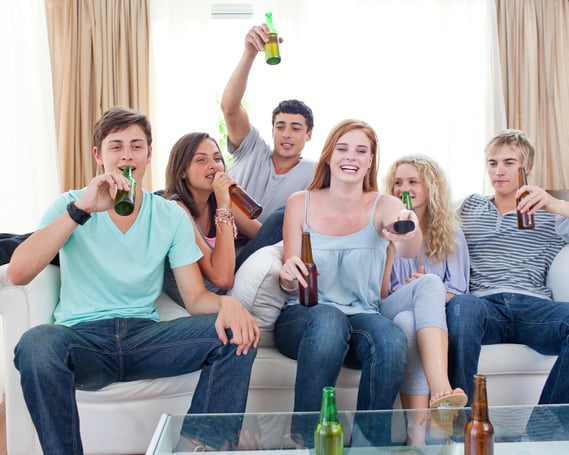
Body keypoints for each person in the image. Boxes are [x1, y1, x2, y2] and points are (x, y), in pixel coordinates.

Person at [7, 107, 260, 454]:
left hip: (146, 337)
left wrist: (227, 303)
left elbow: (196, 298)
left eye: (136, 146)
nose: (127, 154)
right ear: (99, 156)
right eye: (116, 146)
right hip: (83, 340)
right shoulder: (69, 204)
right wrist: (80, 210)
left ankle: (200, 446)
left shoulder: (169, 214)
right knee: (36, 344)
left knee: (238, 331)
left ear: (148, 155)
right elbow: (19, 272)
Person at [275, 119, 422, 447]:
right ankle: (307, 441)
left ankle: (370, 448)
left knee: (391, 339)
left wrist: (407, 229)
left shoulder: (385, 206)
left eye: (361, 150)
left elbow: (409, 245)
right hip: (303, 318)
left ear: (371, 160)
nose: (350, 157)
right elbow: (291, 277)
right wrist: (286, 275)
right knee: (329, 319)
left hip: (360, 318)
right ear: (329, 156)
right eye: (342, 148)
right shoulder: (301, 202)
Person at [447, 129, 569, 406]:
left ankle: (546, 427)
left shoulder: (549, 212)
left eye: (509, 163)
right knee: (463, 306)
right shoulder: (468, 206)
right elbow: (429, 221)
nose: (499, 171)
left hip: (533, 307)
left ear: (527, 168)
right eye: (492, 163)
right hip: (482, 306)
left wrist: (556, 204)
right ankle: (461, 423)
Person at [381, 154, 469, 445]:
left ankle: (415, 440)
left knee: (410, 320)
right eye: (397, 183)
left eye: (412, 182)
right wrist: (415, 286)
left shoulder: (452, 234)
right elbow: (382, 291)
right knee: (427, 284)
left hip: (423, 315)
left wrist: (424, 293)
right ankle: (442, 390)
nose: (403, 188)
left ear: (431, 187)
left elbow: (459, 290)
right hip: (389, 306)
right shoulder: (387, 225)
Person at [221, 22, 316, 269]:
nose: (286, 134)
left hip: (266, 255)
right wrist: (249, 53)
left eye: (296, 128)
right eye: (280, 126)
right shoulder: (251, 148)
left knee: (281, 220)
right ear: (272, 130)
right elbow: (230, 107)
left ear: (308, 136)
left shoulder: (314, 173)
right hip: (220, 242)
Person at [160, 132, 261, 304]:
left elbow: (263, 234)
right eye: (201, 160)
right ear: (182, 171)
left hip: (226, 275)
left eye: (217, 158)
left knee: (280, 217)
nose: (213, 166)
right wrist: (224, 206)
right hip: (204, 292)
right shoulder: (176, 208)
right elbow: (222, 279)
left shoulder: (218, 198)